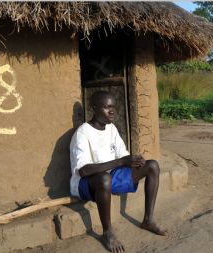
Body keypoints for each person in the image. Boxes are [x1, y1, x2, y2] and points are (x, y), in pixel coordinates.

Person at [69, 90, 167, 253]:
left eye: (113, 107)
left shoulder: (111, 129)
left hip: (110, 175)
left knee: (152, 166)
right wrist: (121, 161)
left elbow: (122, 156)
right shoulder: (83, 133)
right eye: (107, 107)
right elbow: (84, 170)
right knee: (104, 178)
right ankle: (107, 233)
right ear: (94, 108)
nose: (112, 111)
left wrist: (134, 161)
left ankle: (148, 220)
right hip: (85, 183)